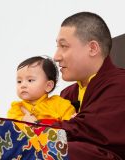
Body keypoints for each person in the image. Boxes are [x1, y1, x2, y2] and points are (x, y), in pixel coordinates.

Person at [53, 11, 125, 159]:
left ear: (92, 48)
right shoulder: (66, 95)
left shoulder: (120, 84)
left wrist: (33, 128)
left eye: (64, 46)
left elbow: (87, 131)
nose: (56, 57)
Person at [7, 56, 76, 124]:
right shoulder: (16, 109)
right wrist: (22, 120)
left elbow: (70, 126)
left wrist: (73, 119)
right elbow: (8, 128)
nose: (23, 85)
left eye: (30, 80)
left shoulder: (60, 105)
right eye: (19, 81)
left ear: (48, 86)